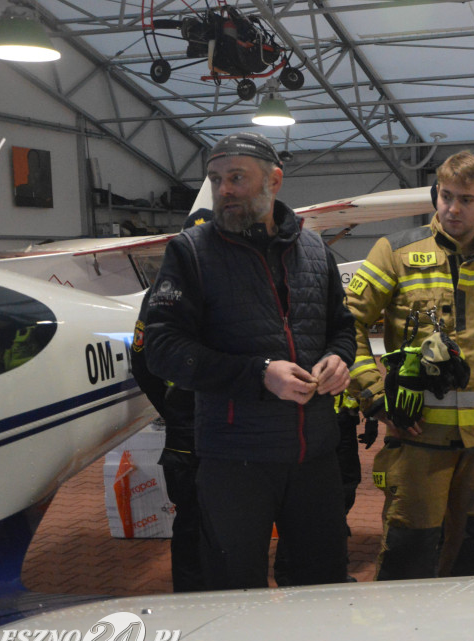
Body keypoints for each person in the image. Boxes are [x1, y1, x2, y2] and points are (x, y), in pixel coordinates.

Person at [145, 131, 355, 590]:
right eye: (216, 179)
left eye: (236, 178)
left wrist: (340, 358)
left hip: (314, 456)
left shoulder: (315, 250)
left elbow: (342, 326)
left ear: (274, 180)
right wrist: (260, 375)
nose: (224, 191)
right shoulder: (191, 253)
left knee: (322, 585)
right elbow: (161, 348)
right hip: (235, 461)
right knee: (233, 590)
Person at [346, 150, 474, 580]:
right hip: (420, 437)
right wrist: (375, 395)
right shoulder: (396, 252)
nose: (452, 208)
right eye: (445, 197)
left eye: (465, 199)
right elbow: (347, 325)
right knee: (410, 550)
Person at [128, 209, 211, 593]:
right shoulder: (161, 295)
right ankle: (191, 604)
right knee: (192, 523)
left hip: (231, 430)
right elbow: (143, 363)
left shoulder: (239, 289)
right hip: (188, 434)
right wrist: (174, 410)